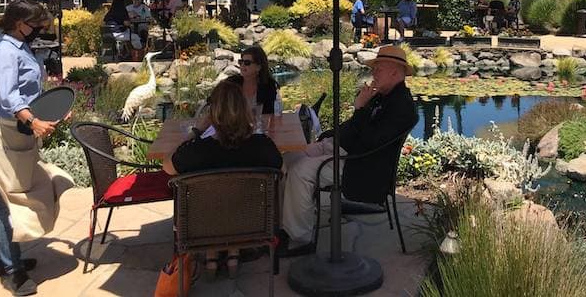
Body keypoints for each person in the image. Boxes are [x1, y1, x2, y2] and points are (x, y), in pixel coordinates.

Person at [280, 45, 418, 255]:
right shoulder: (381, 96)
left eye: (378, 69)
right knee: (289, 158)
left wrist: (360, 108)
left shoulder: (402, 107)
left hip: (362, 166)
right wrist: (327, 137)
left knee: (301, 170)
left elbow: (370, 141)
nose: (373, 73)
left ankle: (300, 238)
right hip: (346, 149)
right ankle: (289, 221)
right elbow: (355, 128)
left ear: (395, 72)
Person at [0, 0, 74, 296]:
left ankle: (0, 259)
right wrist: (34, 121)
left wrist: (49, 112)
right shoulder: (7, 54)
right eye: (37, 25)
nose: (41, 29)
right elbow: (9, 98)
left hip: (18, 133)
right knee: (15, 199)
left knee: (5, 195)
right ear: (19, 23)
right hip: (7, 134)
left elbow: (27, 92)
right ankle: (11, 270)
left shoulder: (20, 47)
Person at [164, 80, 282, 276]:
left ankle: (212, 253)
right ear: (245, 110)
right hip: (250, 224)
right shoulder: (262, 146)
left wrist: (196, 132)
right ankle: (233, 252)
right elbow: (282, 168)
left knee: (213, 200)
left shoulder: (197, 151)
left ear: (212, 114)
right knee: (237, 199)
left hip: (202, 227)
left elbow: (167, 166)